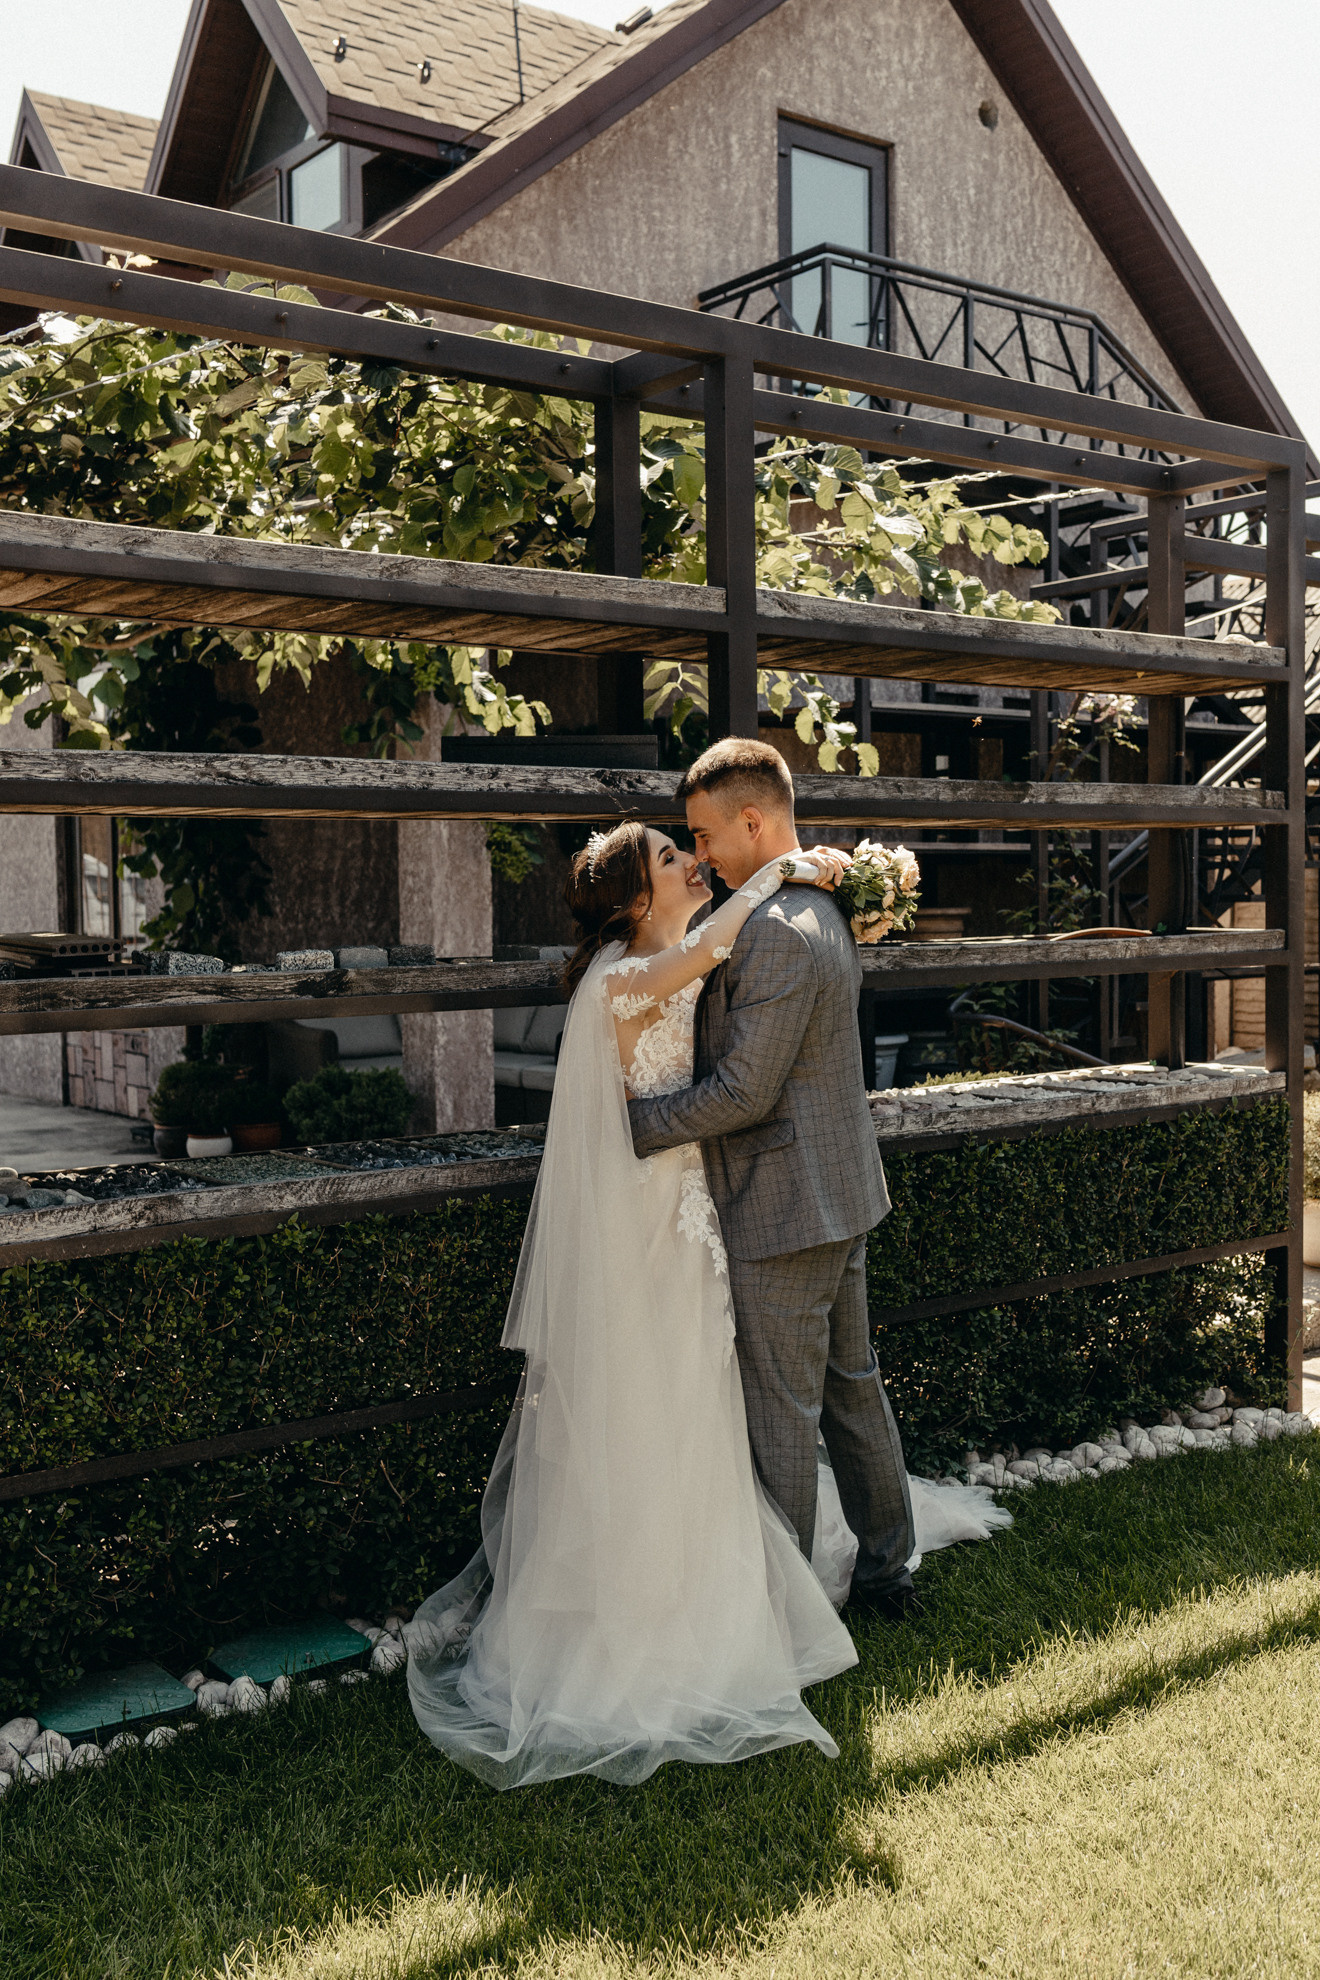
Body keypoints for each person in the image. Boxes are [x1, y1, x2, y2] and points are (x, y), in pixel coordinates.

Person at [406, 796, 1008, 1791]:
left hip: (701, 1203)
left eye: (690, 845)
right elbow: (718, 949)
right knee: (677, 1397)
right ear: (636, 900)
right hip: (657, 1213)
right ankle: (685, 1611)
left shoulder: (672, 954)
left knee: (721, 1398)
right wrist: (787, 867)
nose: (691, 860)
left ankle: (769, 1579)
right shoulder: (631, 973)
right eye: (669, 856)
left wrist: (808, 877)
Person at [627, 738, 937, 1617]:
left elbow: (744, 1092)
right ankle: (887, 1573)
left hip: (785, 1208)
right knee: (851, 1390)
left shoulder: (774, 933)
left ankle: (785, 1614)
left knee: (783, 1416)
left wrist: (631, 1127)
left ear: (753, 822)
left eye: (703, 835)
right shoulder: (815, 903)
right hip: (837, 1191)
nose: (698, 857)